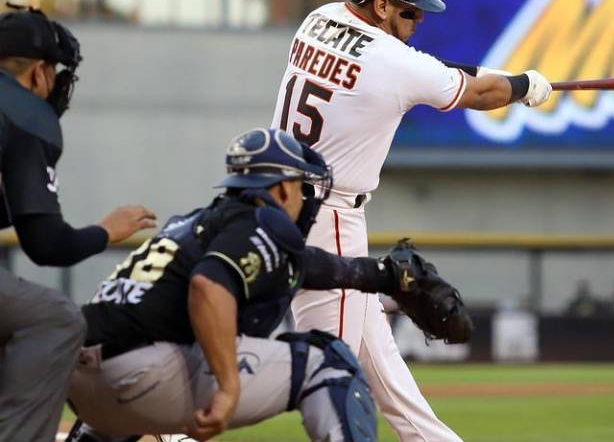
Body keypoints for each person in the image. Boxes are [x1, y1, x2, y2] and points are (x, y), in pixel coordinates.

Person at [270, 0, 553, 441]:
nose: (418, 18)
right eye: (409, 9)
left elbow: (426, 66)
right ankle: (168, 430)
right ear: (381, 5)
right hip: (325, 217)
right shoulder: (392, 61)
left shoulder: (319, 18)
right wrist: (523, 85)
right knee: (326, 378)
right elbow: (477, 92)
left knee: (384, 373)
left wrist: (506, 79)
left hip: (280, 200)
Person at [65, 127, 466, 442]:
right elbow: (208, 285)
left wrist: (383, 277)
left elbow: (308, 265)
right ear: (279, 188)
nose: (308, 197)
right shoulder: (262, 221)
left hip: (84, 384)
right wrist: (226, 387)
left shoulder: (196, 224)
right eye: (302, 185)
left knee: (145, 381)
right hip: (140, 375)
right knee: (328, 362)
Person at [0, 3, 156, 442]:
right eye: (55, 72)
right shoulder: (25, 111)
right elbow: (46, 245)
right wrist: (106, 231)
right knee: (58, 319)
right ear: (37, 73)